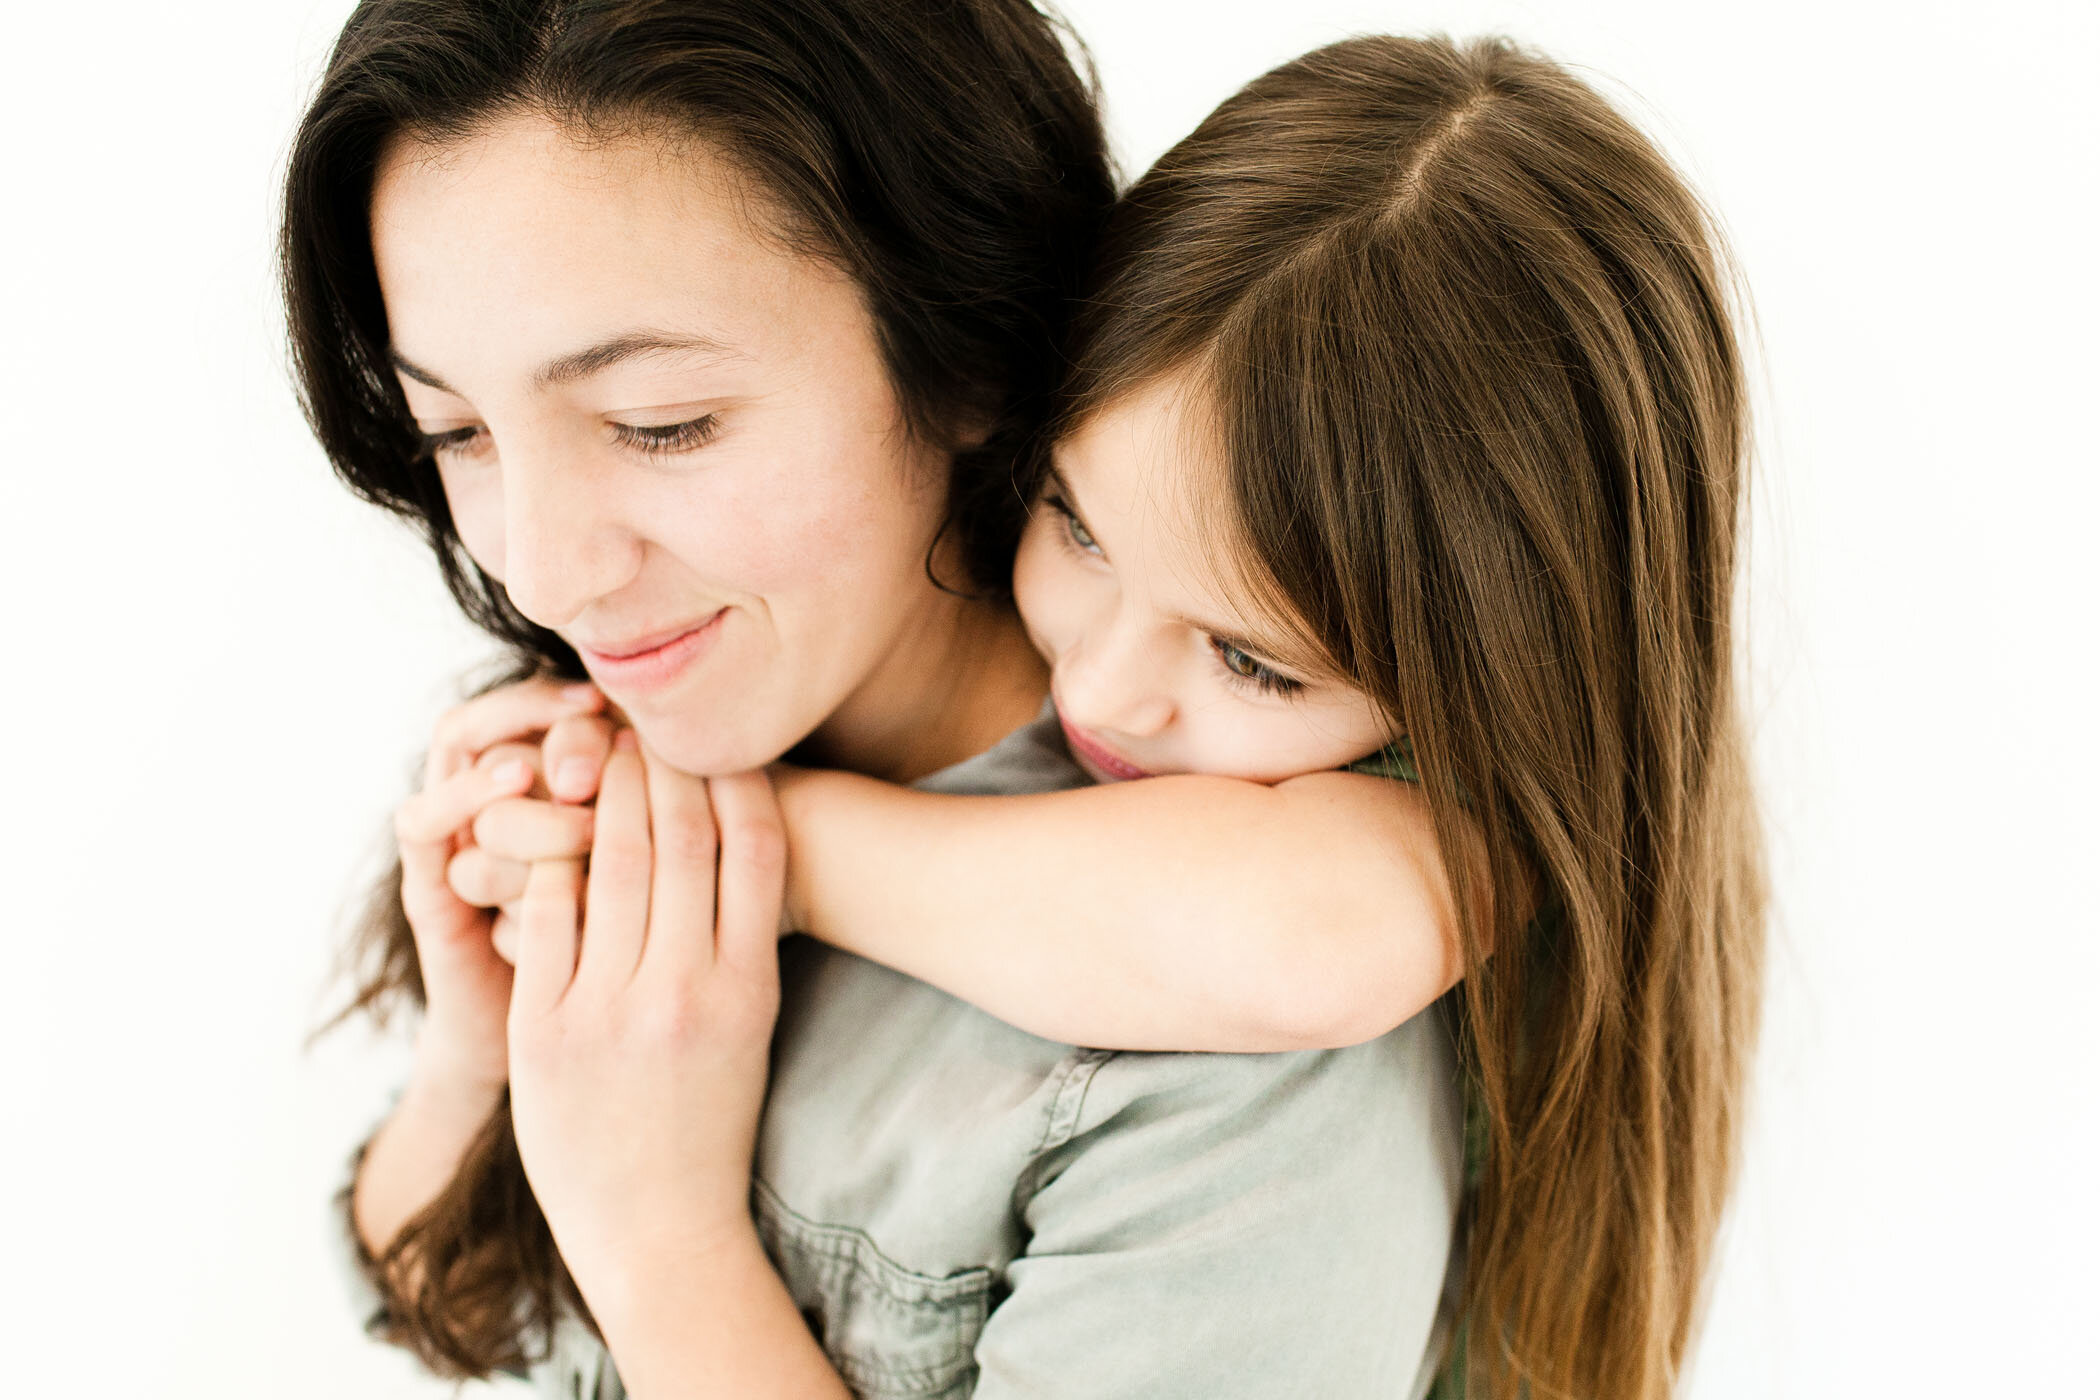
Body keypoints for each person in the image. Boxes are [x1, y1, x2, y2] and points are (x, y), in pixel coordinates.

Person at [291, 3, 1465, 1398]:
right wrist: (484, 1069)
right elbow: (415, 1286)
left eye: (661, 422)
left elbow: (1336, 935)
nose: (541, 569)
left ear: (965, 345)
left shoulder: (1233, 1057)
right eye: (459, 432)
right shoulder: (674, 740)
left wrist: (656, 1239)